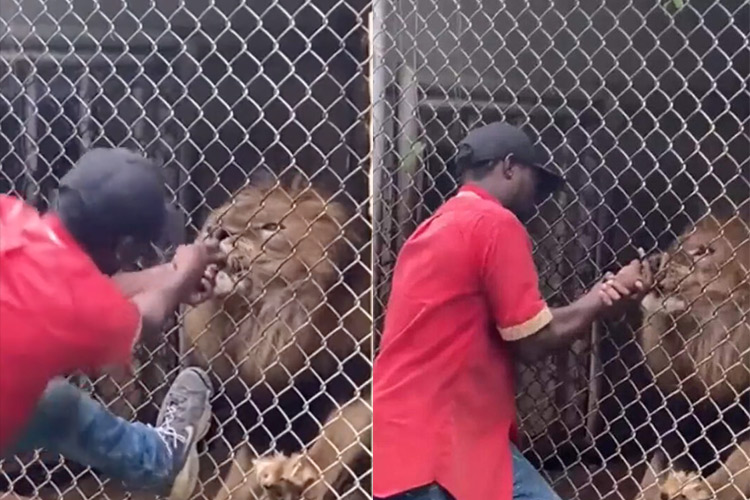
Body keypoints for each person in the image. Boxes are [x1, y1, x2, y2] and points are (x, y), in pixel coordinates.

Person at [372, 122, 653, 500]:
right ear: (508, 167)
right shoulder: (494, 222)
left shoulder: (432, 228)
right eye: (535, 180)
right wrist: (606, 295)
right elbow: (532, 338)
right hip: (450, 442)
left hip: (402, 441)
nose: (538, 197)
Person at [0, 148, 224, 500]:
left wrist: (170, 276)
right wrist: (182, 275)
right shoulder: (76, 310)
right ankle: (160, 460)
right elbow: (142, 318)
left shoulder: (8, 214)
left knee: (58, 406)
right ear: (123, 248)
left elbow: (76, 295)